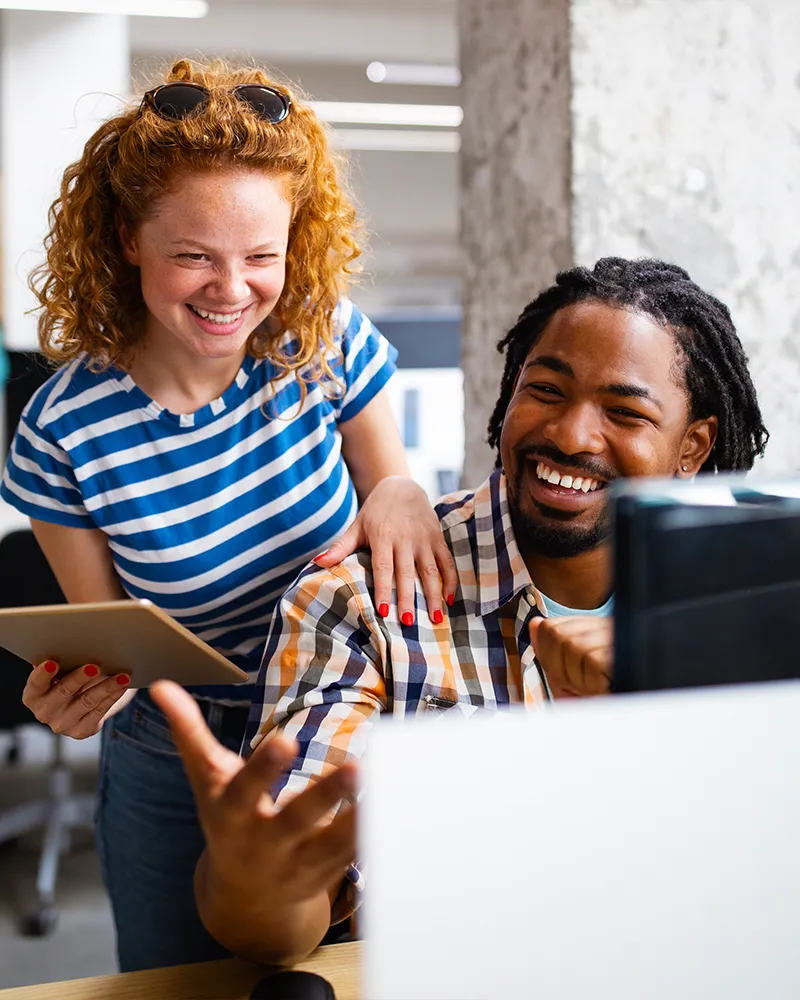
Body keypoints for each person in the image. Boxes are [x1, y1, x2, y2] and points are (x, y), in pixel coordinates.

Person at [153, 255, 769, 966]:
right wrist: (255, 885)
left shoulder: (741, 602)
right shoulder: (359, 597)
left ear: (692, 445)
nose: (571, 436)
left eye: (624, 412)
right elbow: (291, 908)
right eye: (545, 390)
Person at [0, 59, 457, 972]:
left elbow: (389, 492)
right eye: (193, 257)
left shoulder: (316, 341)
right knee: (181, 983)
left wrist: (400, 493)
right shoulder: (64, 429)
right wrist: (78, 692)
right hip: (177, 753)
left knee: (365, 973)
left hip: (344, 718)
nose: (232, 290)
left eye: (261, 256)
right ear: (128, 240)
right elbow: (114, 648)